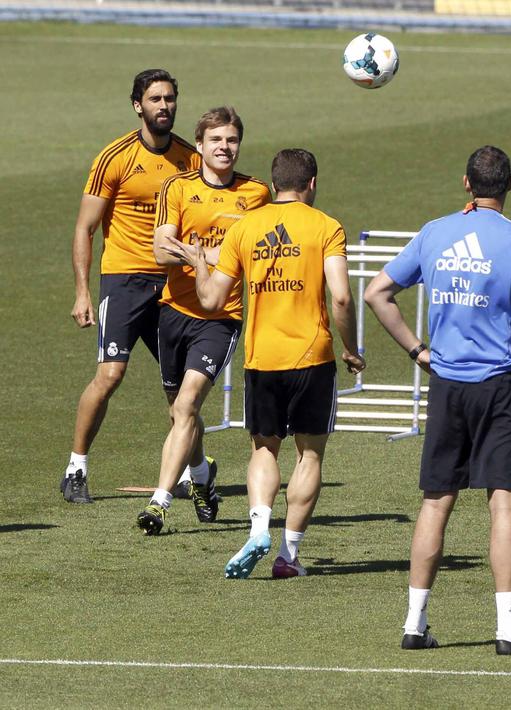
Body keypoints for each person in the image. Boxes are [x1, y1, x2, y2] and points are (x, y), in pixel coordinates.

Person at [365, 146, 511, 654]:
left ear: (466, 184)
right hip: (501, 387)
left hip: (447, 386)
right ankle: (509, 630)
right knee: (504, 504)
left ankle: (414, 624)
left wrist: (418, 351)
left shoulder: (435, 232)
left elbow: (376, 293)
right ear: (510, 184)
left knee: (435, 503)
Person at [183, 148, 364, 578]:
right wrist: (352, 347)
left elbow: (210, 299)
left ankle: (259, 526)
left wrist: (197, 265)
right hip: (312, 357)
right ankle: (287, 555)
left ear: (274, 182)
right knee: (310, 456)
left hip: (261, 357)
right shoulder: (326, 227)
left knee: (264, 448)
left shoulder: (245, 228)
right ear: (312, 184)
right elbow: (340, 296)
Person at [62, 69, 200, 504]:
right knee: (110, 374)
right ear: (138, 105)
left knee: (181, 387)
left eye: (170, 98)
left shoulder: (191, 159)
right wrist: (83, 292)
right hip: (123, 281)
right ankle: (76, 468)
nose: (165, 106)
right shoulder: (115, 157)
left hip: (174, 284)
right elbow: (85, 228)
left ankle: (193, 473)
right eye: (156, 99)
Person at [137, 107, 270, 535]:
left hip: (220, 317)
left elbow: (247, 255)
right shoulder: (177, 188)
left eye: (231, 140)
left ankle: (158, 503)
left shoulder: (255, 194)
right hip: (173, 311)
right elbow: (160, 252)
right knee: (179, 412)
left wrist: (195, 253)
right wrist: (213, 255)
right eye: (216, 140)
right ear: (199, 146)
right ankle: (201, 473)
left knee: (189, 404)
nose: (224, 148)